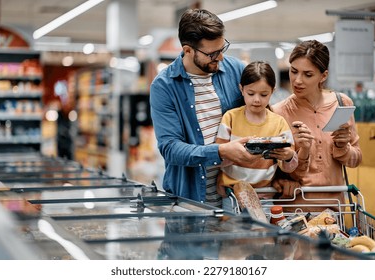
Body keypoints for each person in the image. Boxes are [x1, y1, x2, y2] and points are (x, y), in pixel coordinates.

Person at [150, 9, 256, 208]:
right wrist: (221, 151)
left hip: (236, 195)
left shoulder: (236, 70)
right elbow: (170, 148)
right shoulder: (164, 87)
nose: (221, 58)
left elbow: (261, 114)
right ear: (188, 50)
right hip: (190, 200)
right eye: (212, 53)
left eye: (222, 49)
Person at [271, 40, 362, 211]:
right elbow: (272, 170)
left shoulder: (342, 104)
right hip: (294, 211)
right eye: (294, 71)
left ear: (323, 76)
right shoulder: (278, 113)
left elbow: (356, 159)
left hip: (334, 212)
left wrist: (343, 147)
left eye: (308, 74)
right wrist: (280, 180)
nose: (297, 80)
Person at [215, 61, 298, 212]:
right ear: (241, 89)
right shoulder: (231, 118)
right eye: (251, 93)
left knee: (262, 235)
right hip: (232, 196)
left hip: (264, 197)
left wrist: (288, 156)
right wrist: (234, 154)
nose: (257, 99)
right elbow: (218, 157)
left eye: (264, 94)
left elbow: (289, 166)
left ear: (272, 91)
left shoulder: (278, 122)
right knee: (232, 234)